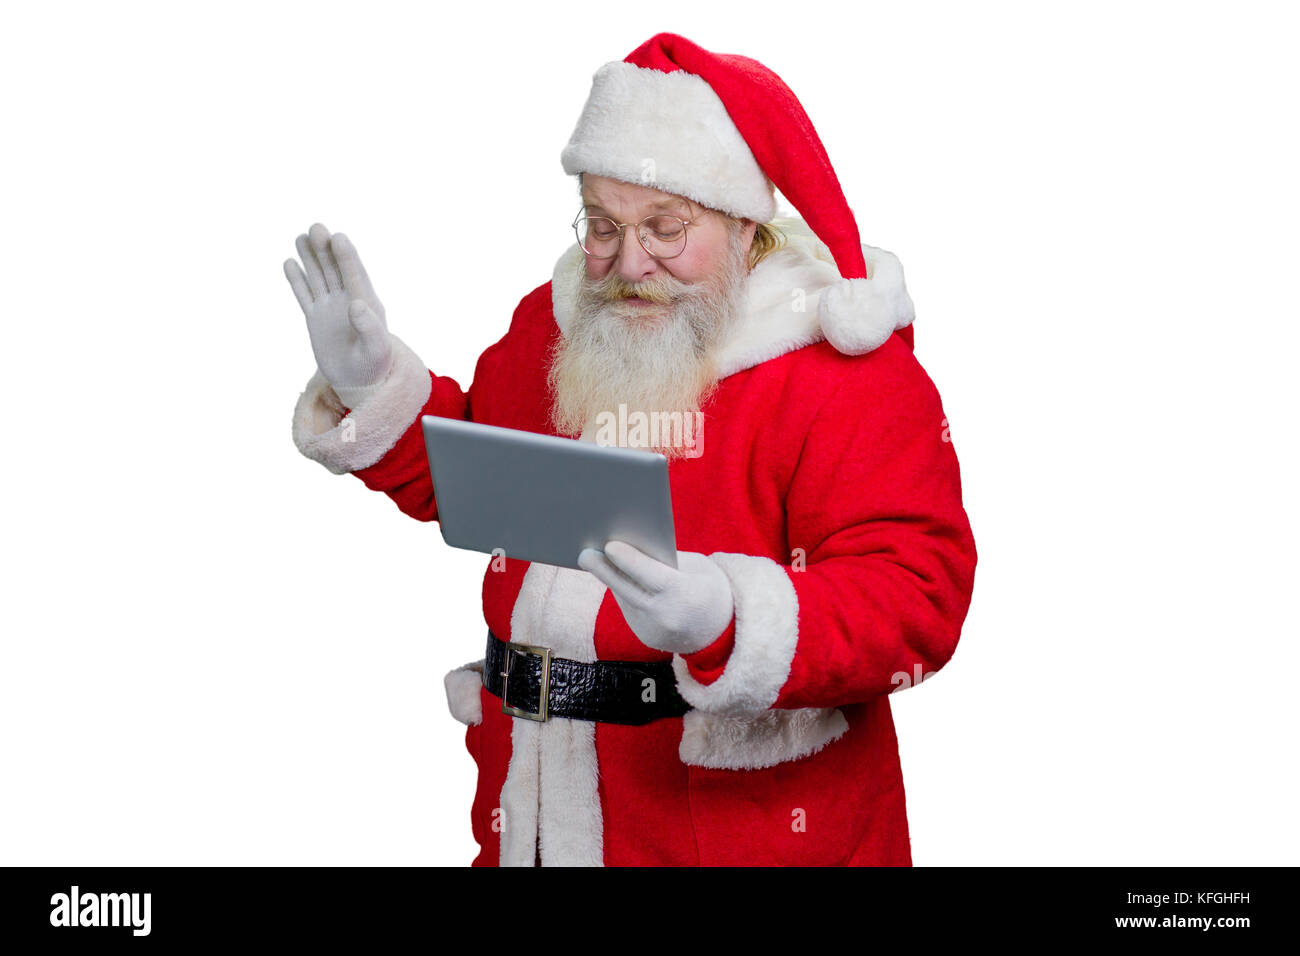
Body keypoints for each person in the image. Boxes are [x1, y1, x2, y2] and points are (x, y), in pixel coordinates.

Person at [284, 32, 977, 867]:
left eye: (666, 226)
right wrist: (371, 386)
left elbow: (917, 597)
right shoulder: (558, 324)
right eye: (603, 224)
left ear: (747, 228)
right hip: (534, 817)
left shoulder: (839, 370)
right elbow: (484, 486)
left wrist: (733, 616)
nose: (628, 261)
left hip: (736, 837)